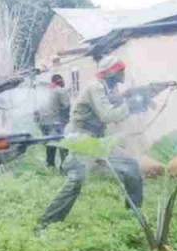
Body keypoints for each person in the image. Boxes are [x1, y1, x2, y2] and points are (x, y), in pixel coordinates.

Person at [37, 56, 143, 227]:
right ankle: (46, 223)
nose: (123, 72)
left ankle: (133, 215)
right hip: (81, 138)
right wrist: (130, 105)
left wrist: (142, 98)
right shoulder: (96, 87)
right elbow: (107, 115)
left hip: (97, 140)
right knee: (76, 180)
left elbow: (117, 104)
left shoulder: (109, 88)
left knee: (131, 167)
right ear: (112, 73)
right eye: (120, 70)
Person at [34, 74, 70, 169]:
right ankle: (64, 168)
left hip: (44, 123)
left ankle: (50, 166)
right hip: (56, 122)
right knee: (63, 145)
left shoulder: (44, 92)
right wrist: (66, 121)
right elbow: (67, 106)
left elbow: (36, 110)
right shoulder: (61, 90)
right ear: (60, 81)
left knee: (50, 145)